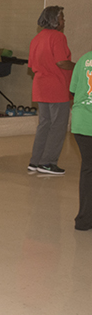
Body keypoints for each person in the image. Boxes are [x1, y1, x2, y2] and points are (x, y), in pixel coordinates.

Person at [27, 6, 75, 175]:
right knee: (58, 126)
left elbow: (32, 66)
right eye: (62, 17)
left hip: (40, 87)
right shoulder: (58, 37)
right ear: (54, 20)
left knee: (44, 124)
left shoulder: (37, 38)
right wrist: (78, 67)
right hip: (57, 87)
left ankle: (35, 161)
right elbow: (62, 62)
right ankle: (48, 163)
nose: (64, 20)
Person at [69, 49, 92, 230]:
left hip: (81, 123)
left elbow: (73, 90)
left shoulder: (84, 59)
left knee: (88, 169)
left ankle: (84, 220)